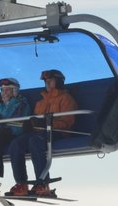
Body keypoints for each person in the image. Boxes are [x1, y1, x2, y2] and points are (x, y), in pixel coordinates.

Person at [5, 69, 78, 197]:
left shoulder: (66, 99)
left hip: (58, 131)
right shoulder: (41, 102)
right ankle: (21, 183)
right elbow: (36, 120)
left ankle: (43, 182)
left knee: (35, 141)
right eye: (46, 82)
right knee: (16, 144)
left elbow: (68, 121)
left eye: (51, 81)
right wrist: (31, 124)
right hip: (40, 132)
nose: (48, 84)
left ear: (59, 82)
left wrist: (47, 124)